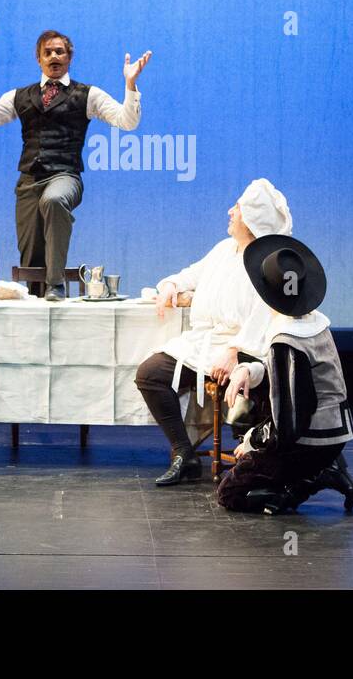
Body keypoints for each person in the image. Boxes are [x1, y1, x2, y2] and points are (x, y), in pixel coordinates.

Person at [0, 30, 152, 299]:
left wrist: (130, 85)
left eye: (59, 51)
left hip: (66, 176)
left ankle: (56, 285)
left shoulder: (87, 95)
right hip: (29, 182)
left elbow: (127, 121)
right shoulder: (20, 96)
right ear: (39, 59)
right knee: (31, 258)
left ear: (69, 57)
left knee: (53, 201)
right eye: (48, 52)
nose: (54, 56)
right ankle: (37, 303)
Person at [134, 178, 286, 486]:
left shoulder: (269, 263)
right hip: (204, 343)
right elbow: (192, 273)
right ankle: (184, 454)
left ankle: (251, 453)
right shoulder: (224, 249)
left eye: (238, 209)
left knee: (245, 388)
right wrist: (172, 286)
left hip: (245, 350)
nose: (230, 212)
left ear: (254, 219)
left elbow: (265, 317)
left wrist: (236, 351)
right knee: (150, 374)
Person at [214, 234, 353, 515]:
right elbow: (295, 376)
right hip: (334, 435)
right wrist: (250, 369)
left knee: (229, 493)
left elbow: (288, 424)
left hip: (310, 442)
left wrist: (252, 441)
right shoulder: (315, 322)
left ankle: (303, 484)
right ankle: (316, 470)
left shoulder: (285, 339)